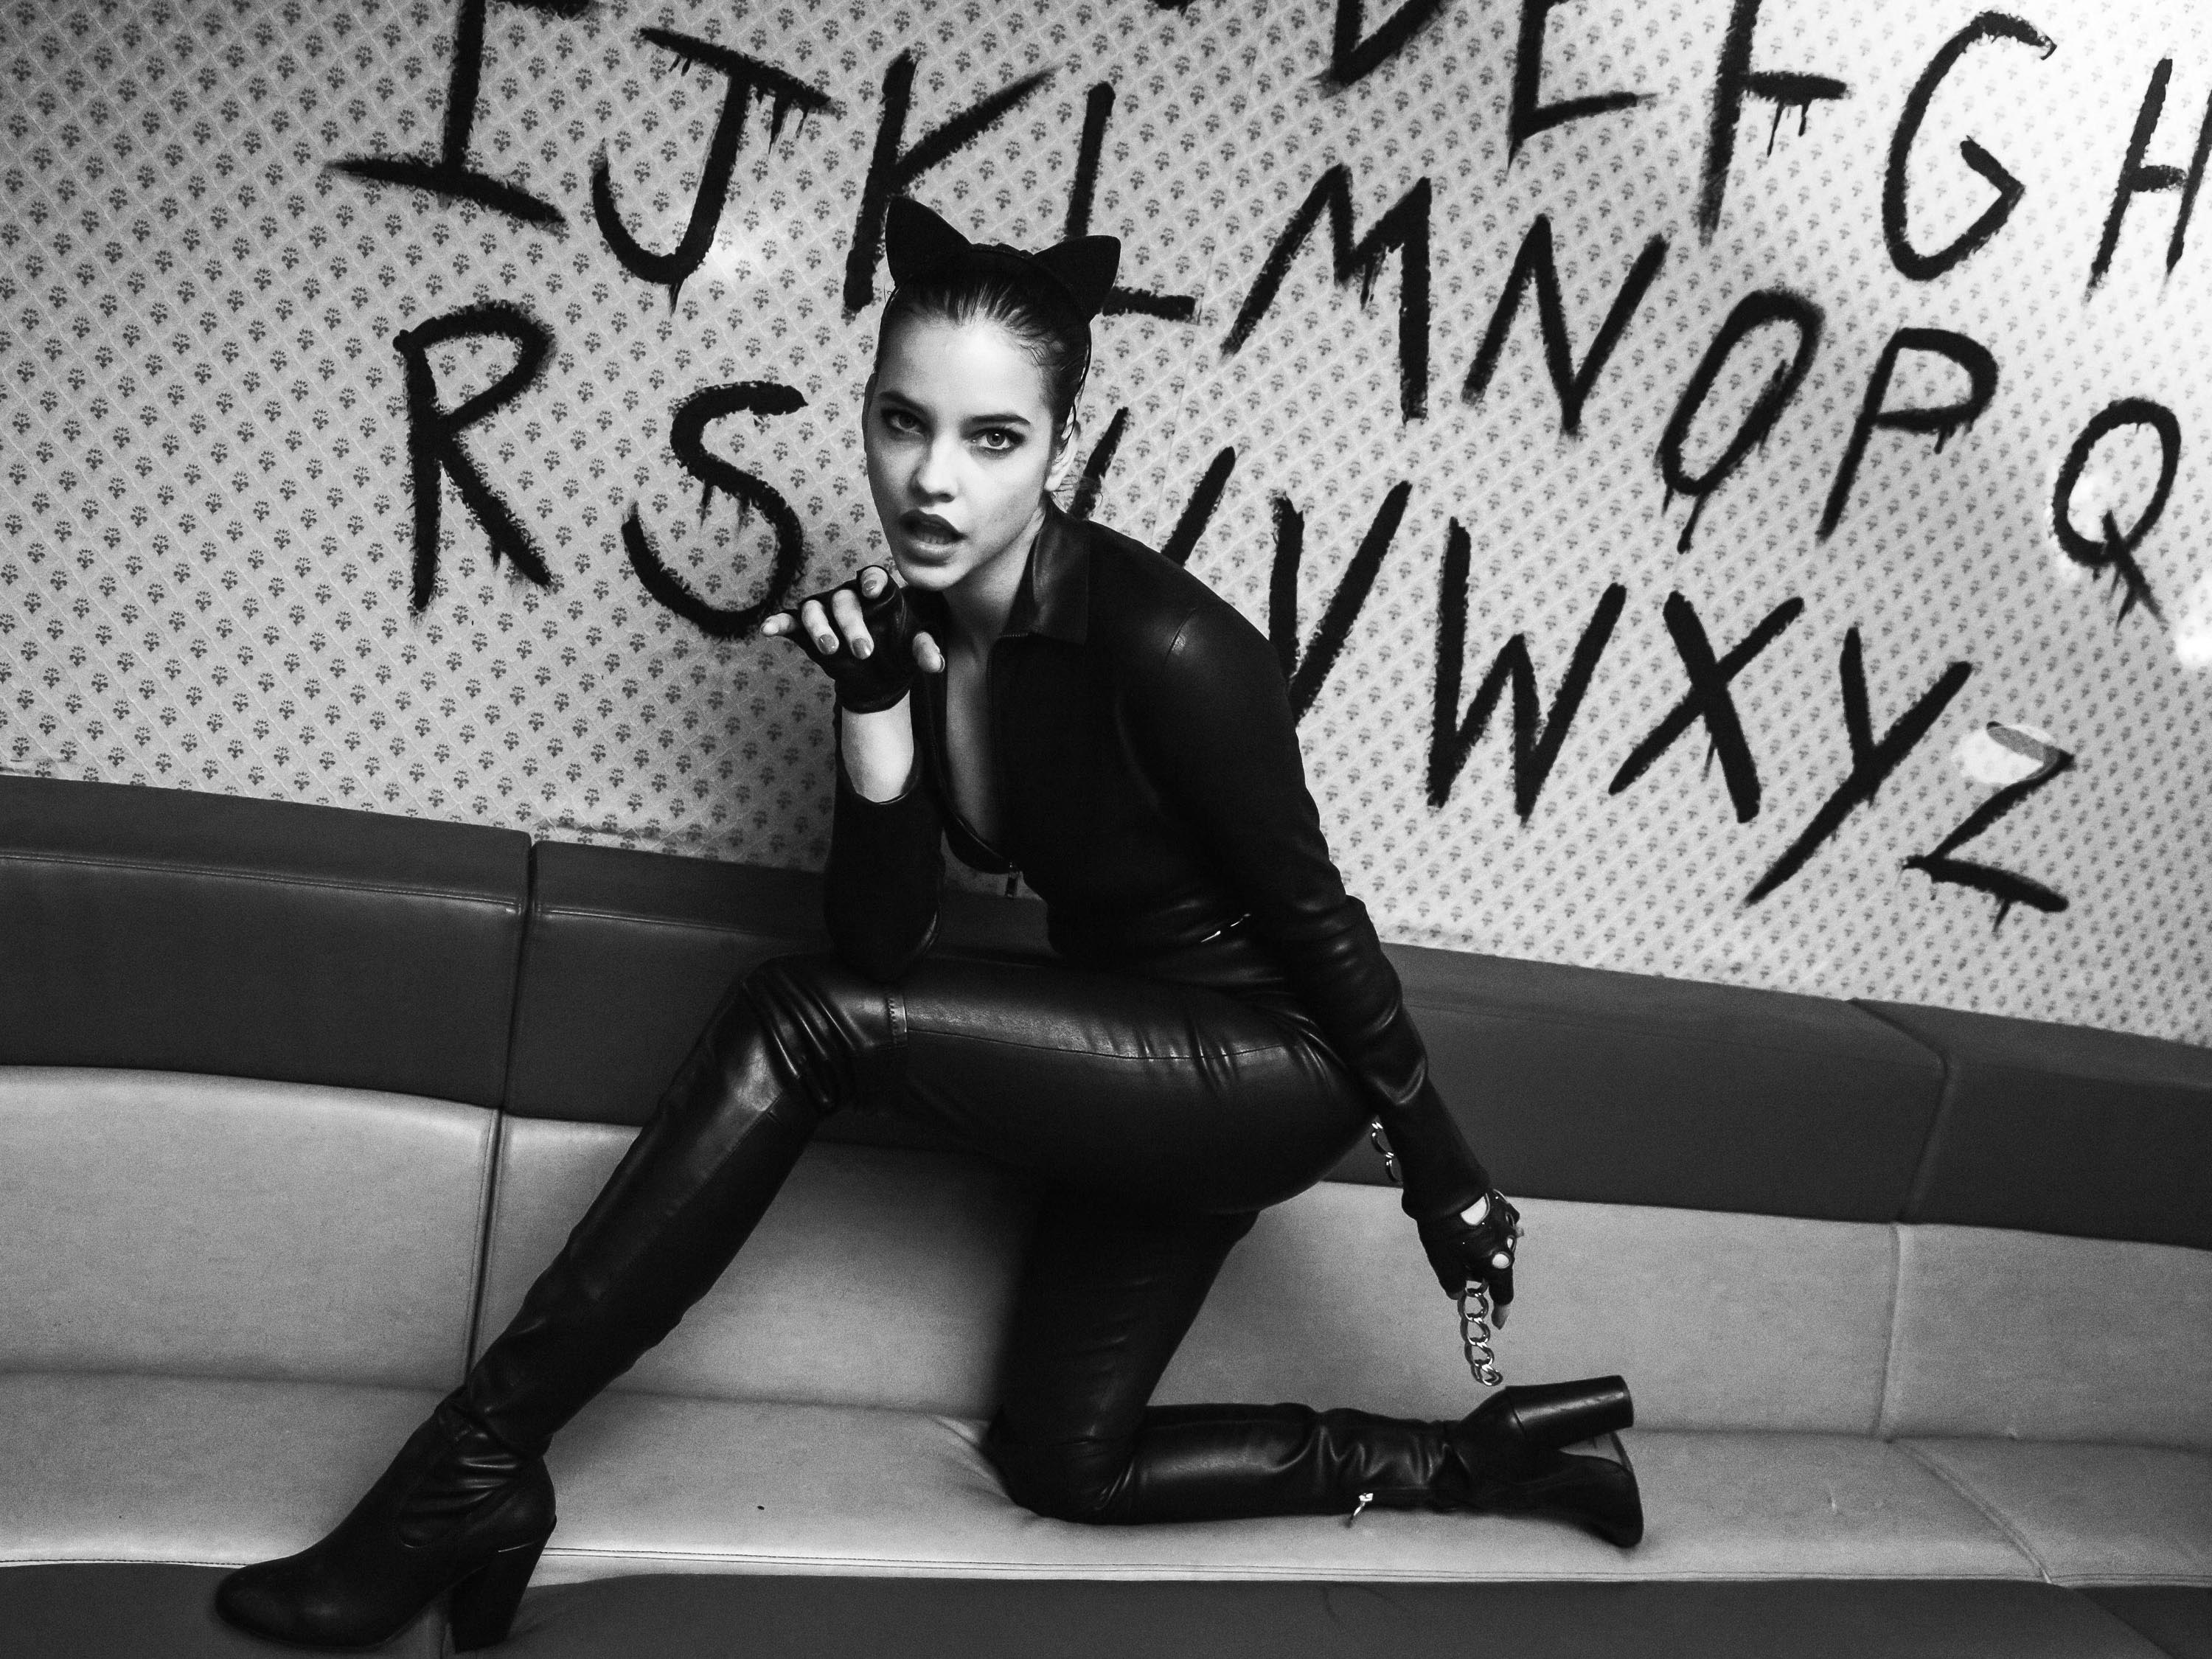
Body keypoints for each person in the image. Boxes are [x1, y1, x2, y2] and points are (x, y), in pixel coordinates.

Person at [215, 198, 1641, 1653]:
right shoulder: (923, 630)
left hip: (1269, 1067)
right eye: (903, 423)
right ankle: (1489, 1461)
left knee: (798, 1021)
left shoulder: (1171, 644)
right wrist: (873, 701)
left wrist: (1447, 1184)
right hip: (1141, 1060)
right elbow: (883, 944)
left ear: (1057, 445)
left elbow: (1321, 924)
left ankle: (470, 1467)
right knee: (1065, 1462)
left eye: (991, 439)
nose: (933, 479)